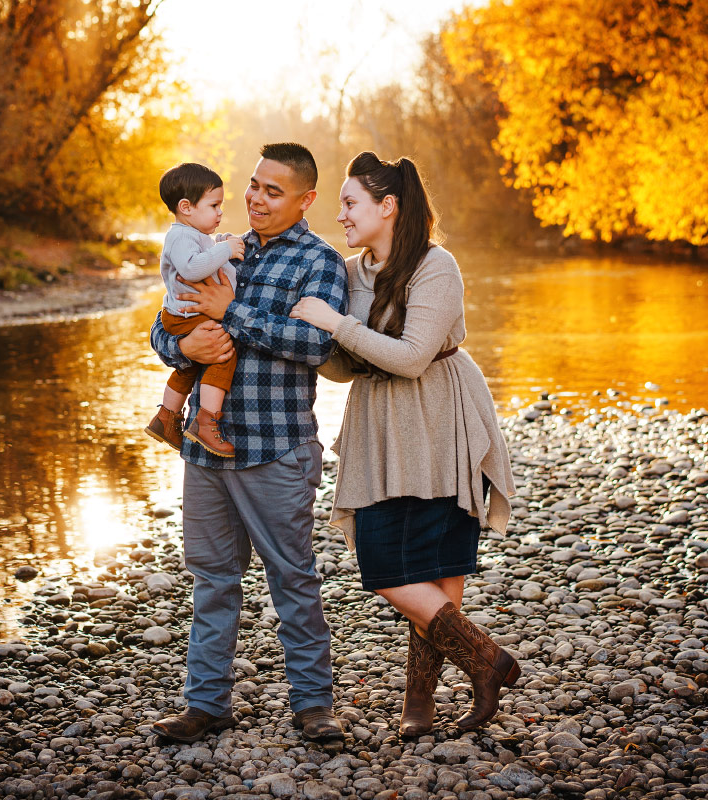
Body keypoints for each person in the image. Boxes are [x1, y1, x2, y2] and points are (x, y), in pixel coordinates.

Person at [289, 151, 517, 736]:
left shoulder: (436, 266)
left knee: (440, 572)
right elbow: (347, 365)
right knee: (385, 563)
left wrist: (336, 324)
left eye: (349, 202)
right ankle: (487, 661)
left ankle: (422, 702)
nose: (339, 214)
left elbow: (414, 357)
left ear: (387, 206)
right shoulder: (350, 270)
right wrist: (319, 336)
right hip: (377, 424)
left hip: (440, 419)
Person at [147, 143, 349, 743]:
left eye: (274, 191)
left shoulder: (320, 263)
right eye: (254, 185)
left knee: (292, 577)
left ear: (306, 199)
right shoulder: (216, 244)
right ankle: (205, 703)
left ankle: (314, 706)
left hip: (276, 447)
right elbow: (165, 325)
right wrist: (184, 349)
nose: (256, 199)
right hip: (205, 451)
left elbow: (315, 346)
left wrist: (232, 312)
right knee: (212, 579)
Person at [144, 162, 246, 457]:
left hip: (186, 315)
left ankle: (166, 417)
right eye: (214, 205)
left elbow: (205, 256)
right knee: (223, 354)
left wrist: (221, 243)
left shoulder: (193, 235)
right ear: (186, 207)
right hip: (187, 316)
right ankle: (205, 420)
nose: (220, 212)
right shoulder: (179, 237)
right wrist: (225, 250)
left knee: (188, 366)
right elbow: (191, 267)